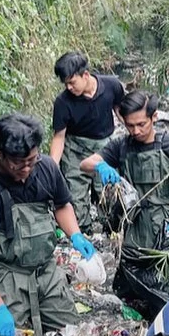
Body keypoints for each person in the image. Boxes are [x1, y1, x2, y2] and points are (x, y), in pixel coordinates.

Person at [0, 113, 96, 336]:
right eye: (18, 163)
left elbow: (62, 205)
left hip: (46, 271)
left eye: (31, 160)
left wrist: (75, 234)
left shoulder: (46, 169)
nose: (26, 169)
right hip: (6, 276)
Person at [79, 90, 169, 314]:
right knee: (128, 290)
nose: (135, 131)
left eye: (141, 124)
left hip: (167, 223)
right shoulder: (121, 146)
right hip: (135, 223)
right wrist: (101, 166)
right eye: (130, 126)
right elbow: (84, 164)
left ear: (154, 117)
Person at [49, 52, 125, 232]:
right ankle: (83, 232)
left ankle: (109, 232)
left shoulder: (112, 86)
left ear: (85, 75)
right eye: (65, 83)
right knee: (75, 196)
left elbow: (122, 113)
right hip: (75, 150)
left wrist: (137, 137)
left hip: (104, 148)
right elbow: (59, 137)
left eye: (71, 82)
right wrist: (51, 167)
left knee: (107, 192)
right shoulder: (63, 102)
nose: (68, 87)